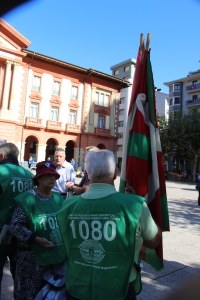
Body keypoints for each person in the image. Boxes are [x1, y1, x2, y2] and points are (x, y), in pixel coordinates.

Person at [57, 149, 161, 300]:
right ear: (115, 174)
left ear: (87, 173)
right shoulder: (135, 205)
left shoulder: (66, 206)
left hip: (77, 288)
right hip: (120, 290)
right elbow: (154, 241)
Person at [9, 161, 67, 300]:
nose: (52, 178)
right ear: (39, 178)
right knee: (29, 294)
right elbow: (15, 226)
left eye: (54, 175)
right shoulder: (27, 198)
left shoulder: (58, 198)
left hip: (55, 258)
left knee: (51, 294)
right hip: (31, 259)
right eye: (48, 175)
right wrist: (35, 239)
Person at [0, 142, 33, 298]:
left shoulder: (1, 172)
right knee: (20, 275)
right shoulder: (30, 176)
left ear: (1, 156)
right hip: (23, 234)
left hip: (1, 232)